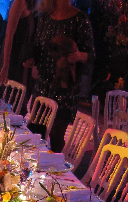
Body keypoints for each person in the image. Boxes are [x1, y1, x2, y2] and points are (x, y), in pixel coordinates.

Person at [31, 0, 95, 151]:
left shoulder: (80, 19)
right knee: (35, 133)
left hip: (65, 88)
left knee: (56, 136)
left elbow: (91, 55)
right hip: (43, 85)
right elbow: (38, 46)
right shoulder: (45, 16)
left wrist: (78, 56)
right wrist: (33, 62)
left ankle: (55, 164)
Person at [0, 0, 37, 113]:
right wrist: (6, 66)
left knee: (19, 102)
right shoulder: (19, 2)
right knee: (9, 100)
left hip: (22, 60)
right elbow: (9, 36)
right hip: (13, 59)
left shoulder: (31, 4)